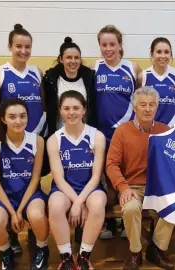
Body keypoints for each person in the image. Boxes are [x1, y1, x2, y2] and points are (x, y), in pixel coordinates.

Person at [106, 86, 175, 270]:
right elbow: (111, 164)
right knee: (130, 208)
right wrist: (123, 187)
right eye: (143, 105)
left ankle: (156, 249)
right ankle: (136, 252)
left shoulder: (165, 130)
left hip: (158, 188)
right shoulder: (122, 131)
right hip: (132, 187)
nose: (147, 109)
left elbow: (173, 164)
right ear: (134, 107)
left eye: (152, 105)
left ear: (157, 107)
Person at [0, 98, 49, 270]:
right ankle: (6, 254)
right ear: (3, 119)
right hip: (4, 195)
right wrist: (12, 212)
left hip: (29, 193)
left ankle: (42, 248)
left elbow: (36, 179)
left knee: (37, 215)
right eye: (12, 117)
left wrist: (19, 211)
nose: (18, 121)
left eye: (22, 116)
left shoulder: (37, 141)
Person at [47, 91, 107, 269]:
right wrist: (77, 202)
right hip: (65, 189)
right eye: (66, 108)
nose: (71, 112)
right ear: (60, 111)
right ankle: (66, 258)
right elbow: (58, 178)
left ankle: (83, 257)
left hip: (91, 187)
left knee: (96, 204)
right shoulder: (54, 140)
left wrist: (80, 202)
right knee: (55, 205)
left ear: (84, 110)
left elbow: (96, 176)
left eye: (76, 108)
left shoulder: (97, 136)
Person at [94, 25, 142, 239]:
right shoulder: (94, 69)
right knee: (106, 178)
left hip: (127, 134)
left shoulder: (133, 69)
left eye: (112, 44)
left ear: (120, 45)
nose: (108, 48)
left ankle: (125, 220)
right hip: (102, 134)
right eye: (104, 44)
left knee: (127, 176)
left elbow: (141, 101)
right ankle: (110, 223)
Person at [0, 24, 46, 136]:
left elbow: (43, 105)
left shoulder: (37, 72)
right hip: (10, 136)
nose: (23, 51)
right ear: (10, 47)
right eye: (18, 46)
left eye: (28, 47)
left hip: (38, 134)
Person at [43, 36, 97, 138]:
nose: (73, 61)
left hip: (84, 134)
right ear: (61, 59)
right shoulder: (50, 79)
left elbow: (92, 108)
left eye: (76, 58)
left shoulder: (89, 78)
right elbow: (46, 106)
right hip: (59, 134)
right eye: (69, 57)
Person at [138, 37, 175, 127]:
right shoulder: (143, 76)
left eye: (166, 52)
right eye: (159, 52)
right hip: (151, 129)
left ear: (171, 54)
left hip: (173, 129)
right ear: (152, 54)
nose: (163, 56)